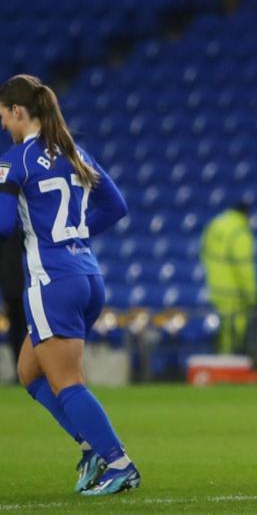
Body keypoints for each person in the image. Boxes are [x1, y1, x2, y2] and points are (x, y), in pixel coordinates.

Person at [0, 74, 136, 495]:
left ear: (18, 112)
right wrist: (76, 234)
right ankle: (90, 446)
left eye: (3, 116)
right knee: (29, 371)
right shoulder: (74, 151)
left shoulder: (14, 159)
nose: (3, 124)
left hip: (52, 281)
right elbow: (116, 205)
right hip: (87, 276)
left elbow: (4, 224)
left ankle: (119, 462)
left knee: (67, 382)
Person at [200, 201, 257, 354]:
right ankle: (227, 366)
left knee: (221, 332)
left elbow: (203, 253)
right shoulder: (240, 231)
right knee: (234, 334)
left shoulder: (215, 225)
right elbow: (244, 267)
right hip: (235, 294)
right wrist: (252, 296)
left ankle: (220, 361)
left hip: (213, 290)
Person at [1, 228, 27, 368]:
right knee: (17, 328)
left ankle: (26, 368)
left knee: (22, 328)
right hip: (13, 286)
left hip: (22, 284)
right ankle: (20, 367)